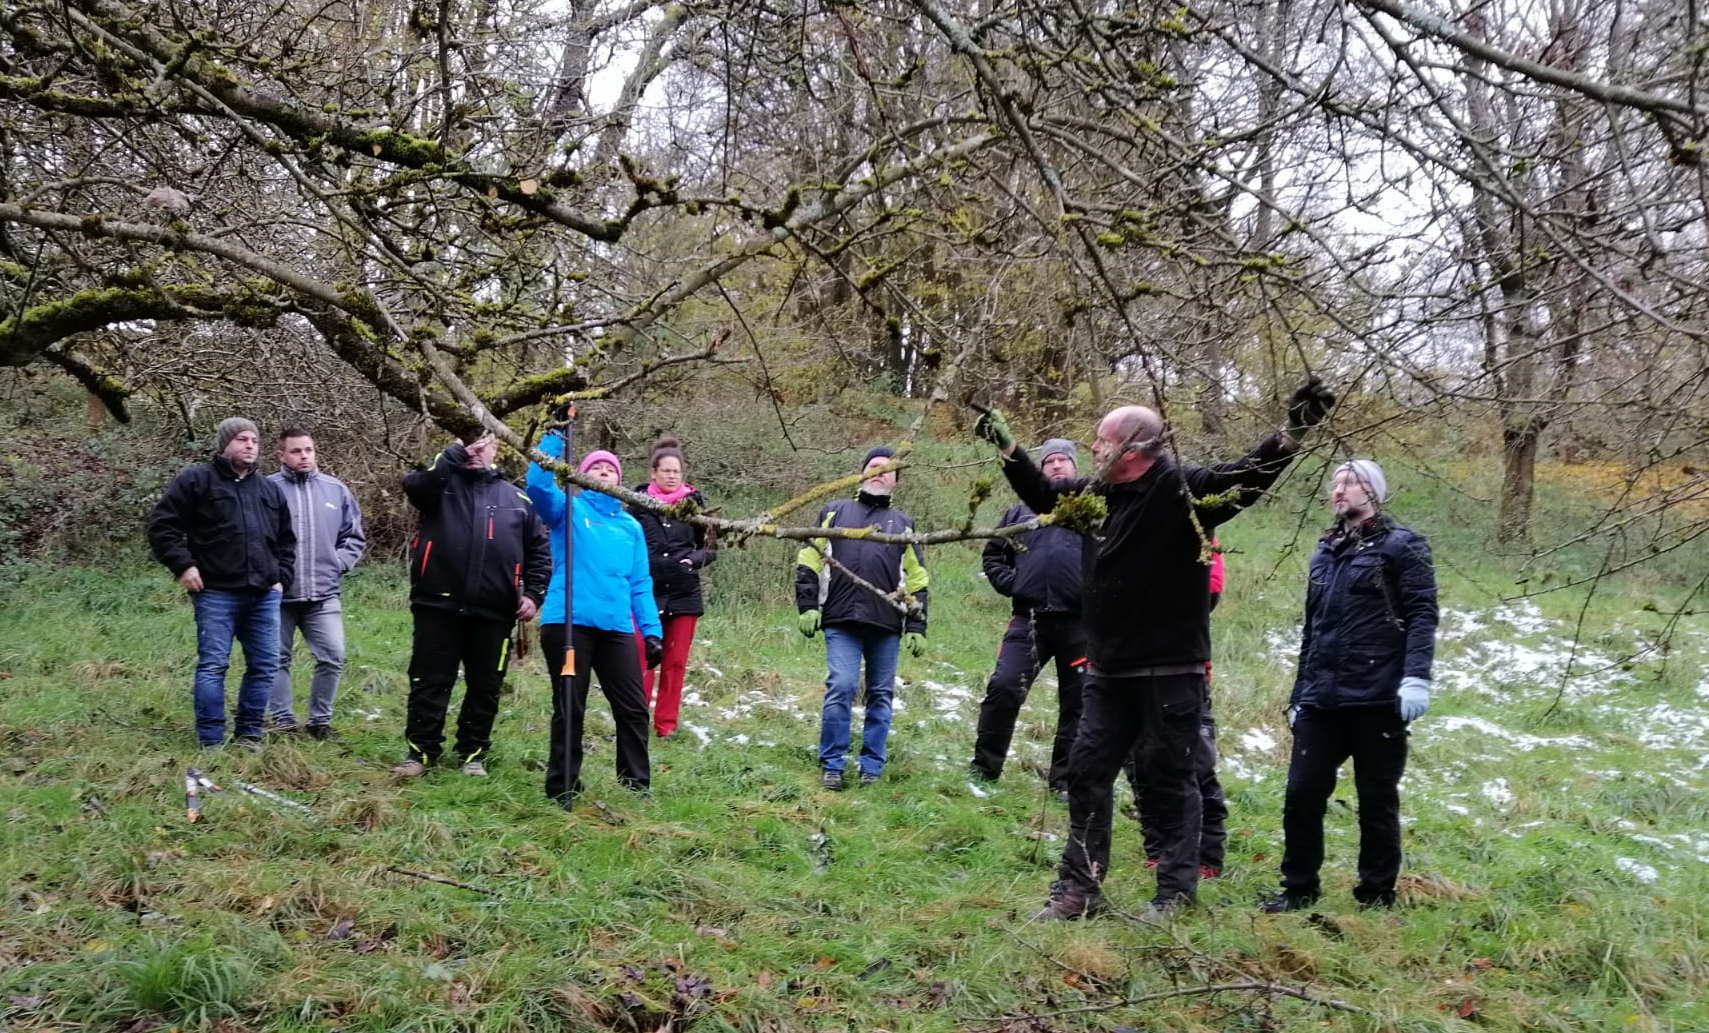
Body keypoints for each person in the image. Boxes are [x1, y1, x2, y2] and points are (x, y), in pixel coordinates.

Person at [975, 377, 1336, 920]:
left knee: (1170, 777)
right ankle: (1080, 889)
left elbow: (1243, 480)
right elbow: (1044, 496)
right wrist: (1009, 449)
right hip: (1107, 667)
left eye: (1100, 440)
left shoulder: (1182, 490)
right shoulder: (1098, 497)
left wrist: (1290, 433)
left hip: (1169, 666)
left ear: (1133, 447)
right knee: (1087, 773)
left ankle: (1174, 893)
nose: (1092, 449)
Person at [1261, 459, 1438, 913]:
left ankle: (1376, 894)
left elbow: (1422, 615)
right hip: (1322, 700)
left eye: (1351, 483)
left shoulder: (1404, 547)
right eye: (1335, 484)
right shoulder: (1326, 551)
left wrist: (1416, 677)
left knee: (1377, 799)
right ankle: (1298, 889)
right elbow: (1313, 628)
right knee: (1301, 795)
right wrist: (1300, 695)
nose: (1340, 491)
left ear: (1373, 492)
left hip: (1378, 698)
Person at [394, 432, 550, 778]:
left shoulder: (518, 500)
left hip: (494, 612)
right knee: (429, 681)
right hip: (437, 604)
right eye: (471, 445)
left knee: (485, 686)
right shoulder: (438, 487)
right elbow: (415, 486)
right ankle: (420, 753)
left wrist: (532, 595)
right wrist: (453, 455)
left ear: (497, 449)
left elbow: (540, 553)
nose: (477, 452)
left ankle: (472, 753)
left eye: (485, 445)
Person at [526, 439, 663, 809]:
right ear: (582, 477)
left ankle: (635, 784)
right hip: (568, 623)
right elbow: (537, 485)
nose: (605, 473)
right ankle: (563, 786)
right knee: (571, 705)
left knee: (634, 707)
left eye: (611, 470)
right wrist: (555, 436)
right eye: (597, 469)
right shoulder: (567, 510)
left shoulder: (631, 527)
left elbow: (640, 583)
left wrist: (652, 632)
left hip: (616, 627)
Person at [147, 417, 295, 750]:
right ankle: (211, 740)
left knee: (265, 665)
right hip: (215, 593)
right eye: (242, 439)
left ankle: (249, 734)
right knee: (214, 665)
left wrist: (282, 578)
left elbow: (286, 540)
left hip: (263, 594)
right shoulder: (196, 481)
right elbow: (162, 526)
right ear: (225, 443)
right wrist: (183, 566)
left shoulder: (269, 489)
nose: (250, 446)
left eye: (254, 441)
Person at [795, 447, 929, 790]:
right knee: (841, 687)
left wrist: (916, 624)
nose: (880, 472)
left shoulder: (904, 525)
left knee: (881, 693)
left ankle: (871, 766)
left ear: (896, 480)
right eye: (873, 466)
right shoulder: (834, 512)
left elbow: (917, 581)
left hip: (886, 624)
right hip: (841, 619)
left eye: (888, 469)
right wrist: (808, 605)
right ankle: (833, 764)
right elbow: (809, 560)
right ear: (861, 472)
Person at [970, 438, 1087, 794]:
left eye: (1062, 461)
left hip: (1081, 624)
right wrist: (1013, 583)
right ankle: (984, 770)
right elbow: (993, 554)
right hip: (1029, 620)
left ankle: (1064, 783)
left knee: (1079, 704)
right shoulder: (1020, 512)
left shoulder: (1090, 509)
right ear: (1039, 468)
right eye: (1048, 461)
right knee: (1003, 688)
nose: (1055, 466)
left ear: (1074, 468)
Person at [1124, 545, 1228, 878]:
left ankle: (1208, 855)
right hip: (1126, 666)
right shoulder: (1122, 528)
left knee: (1196, 763)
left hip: (1184, 669)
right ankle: (1157, 849)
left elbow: (1209, 590)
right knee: (1140, 762)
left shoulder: (1198, 528)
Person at [266, 428, 366, 739]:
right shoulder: (266, 490)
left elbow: (353, 535)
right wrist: (268, 576)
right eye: (296, 451)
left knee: (333, 656)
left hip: (323, 595)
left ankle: (319, 722)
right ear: (281, 455)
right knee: (275, 660)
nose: (304, 456)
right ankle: (283, 721)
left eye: (308, 449)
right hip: (278, 596)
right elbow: (254, 539)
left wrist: (338, 563)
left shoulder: (335, 490)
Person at [628, 436, 716, 740]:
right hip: (646, 593)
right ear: (653, 472)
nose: (671, 476)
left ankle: (666, 726)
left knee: (675, 663)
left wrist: (692, 560)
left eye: (676, 471)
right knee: (643, 657)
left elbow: (710, 548)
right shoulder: (637, 504)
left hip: (684, 593)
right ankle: (635, 719)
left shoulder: (696, 505)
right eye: (665, 471)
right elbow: (626, 542)